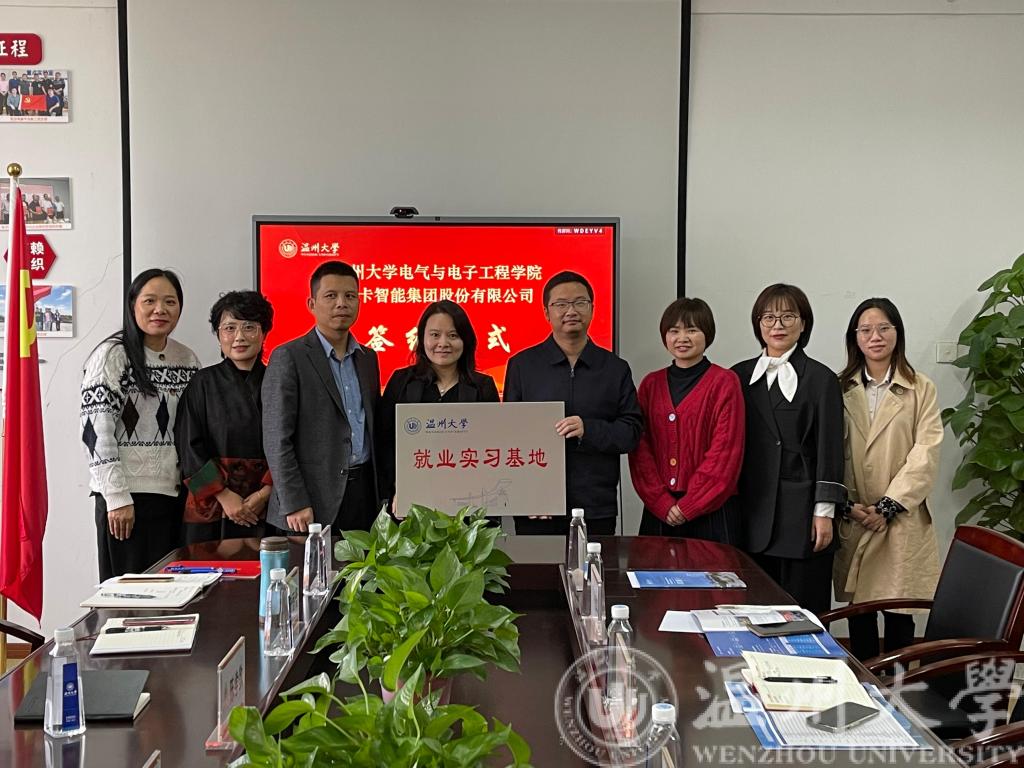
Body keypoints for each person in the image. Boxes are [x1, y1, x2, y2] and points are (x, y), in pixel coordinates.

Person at [833, 298, 943, 660]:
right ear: (855, 337)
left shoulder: (920, 388)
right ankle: (865, 681)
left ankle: (898, 686)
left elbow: (926, 450)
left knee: (899, 609)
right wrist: (848, 505)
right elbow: (828, 450)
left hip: (899, 516)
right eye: (865, 330)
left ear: (898, 333)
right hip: (855, 513)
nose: (875, 337)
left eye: (884, 328)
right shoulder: (839, 387)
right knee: (859, 610)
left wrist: (888, 506)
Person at [732, 284, 845, 615]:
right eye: (768, 317)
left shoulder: (822, 378)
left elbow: (830, 450)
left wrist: (824, 513)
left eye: (787, 317)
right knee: (750, 612)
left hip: (800, 515)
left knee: (801, 614)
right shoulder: (738, 376)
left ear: (803, 323)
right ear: (758, 324)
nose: (777, 325)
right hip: (749, 512)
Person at [80, 268, 200, 581]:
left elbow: (193, 433)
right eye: (150, 301)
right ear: (133, 304)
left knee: (174, 593)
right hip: (128, 502)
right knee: (129, 595)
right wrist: (117, 497)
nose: (160, 309)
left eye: (170, 302)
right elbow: (95, 433)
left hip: (175, 499)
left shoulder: (187, 359)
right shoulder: (112, 356)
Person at [504, 270, 642, 535]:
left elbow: (631, 432)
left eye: (580, 302)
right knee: (537, 564)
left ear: (592, 309)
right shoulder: (523, 365)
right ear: (546, 312)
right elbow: (511, 436)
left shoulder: (615, 368)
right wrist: (525, 494)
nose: (571, 311)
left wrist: (588, 429)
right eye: (561, 304)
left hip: (595, 505)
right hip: (538, 506)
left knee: (593, 564)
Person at [262, 260, 381, 534]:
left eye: (350, 296)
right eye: (331, 296)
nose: (342, 303)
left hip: (363, 494)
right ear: (311, 304)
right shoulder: (289, 356)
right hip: (310, 502)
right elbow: (276, 438)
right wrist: (294, 501)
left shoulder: (368, 359)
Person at [629, 298, 745, 543]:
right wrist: (661, 502)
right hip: (660, 511)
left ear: (707, 334)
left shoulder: (725, 382)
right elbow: (640, 450)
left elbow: (725, 452)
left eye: (692, 330)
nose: (682, 338)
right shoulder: (650, 384)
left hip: (712, 509)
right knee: (654, 568)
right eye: (674, 331)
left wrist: (690, 505)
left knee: (712, 568)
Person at [175, 291, 279, 544]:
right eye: (229, 328)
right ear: (218, 334)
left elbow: (294, 443)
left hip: (266, 504)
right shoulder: (202, 384)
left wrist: (266, 492)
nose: (239, 337)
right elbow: (188, 447)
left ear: (264, 332)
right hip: (212, 504)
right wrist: (224, 495)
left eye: (249, 327)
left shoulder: (279, 382)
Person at [379, 300, 500, 511]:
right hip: (409, 502)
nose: (443, 343)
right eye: (435, 335)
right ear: (422, 338)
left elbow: (494, 446)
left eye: (453, 335)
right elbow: (385, 442)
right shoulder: (401, 382)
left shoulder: (483, 387)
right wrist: (399, 488)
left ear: (465, 340)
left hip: (468, 503)